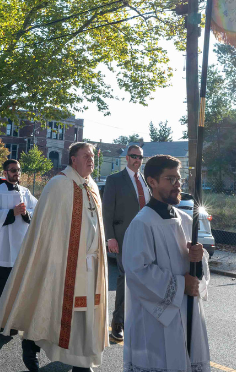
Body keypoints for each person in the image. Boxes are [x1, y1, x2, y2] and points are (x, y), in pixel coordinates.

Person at [0, 142, 107, 372]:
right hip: (62, 263)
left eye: (92, 156)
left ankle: (81, 364)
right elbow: (46, 229)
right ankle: (31, 343)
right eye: (86, 155)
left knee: (84, 316)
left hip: (90, 265)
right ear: (73, 159)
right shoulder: (59, 185)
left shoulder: (92, 186)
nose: (91, 160)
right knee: (50, 307)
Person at [122, 154, 209, 372]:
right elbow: (137, 272)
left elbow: (199, 271)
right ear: (152, 182)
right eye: (170, 179)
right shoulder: (142, 223)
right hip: (157, 322)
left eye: (178, 179)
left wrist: (198, 260)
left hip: (188, 313)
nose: (177, 184)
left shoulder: (187, 220)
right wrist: (181, 286)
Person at [101, 142, 148, 343]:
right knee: (125, 277)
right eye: (133, 156)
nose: (137, 160)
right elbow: (107, 211)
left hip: (145, 238)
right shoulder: (114, 180)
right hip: (123, 237)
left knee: (142, 280)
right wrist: (110, 237)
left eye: (140, 157)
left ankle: (137, 321)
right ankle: (117, 324)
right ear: (126, 158)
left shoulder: (145, 181)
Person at [0, 158, 37, 328]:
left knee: (16, 287)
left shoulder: (26, 192)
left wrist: (26, 213)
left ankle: (11, 321)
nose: (16, 173)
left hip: (19, 247)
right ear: (5, 172)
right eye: (13, 170)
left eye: (18, 170)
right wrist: (12, 212)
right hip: (1, 249)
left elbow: (37, 210)